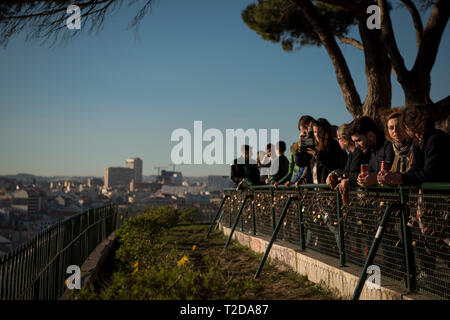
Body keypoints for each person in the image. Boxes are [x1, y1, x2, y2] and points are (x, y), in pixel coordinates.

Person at [378, 105, 450, 186]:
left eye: (402, 126)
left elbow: (430, 173)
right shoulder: (418, 142)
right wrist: (393, 176)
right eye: (391, 128)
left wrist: (400, 178)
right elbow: (414, 169)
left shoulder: (436, 139)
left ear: (411, 126)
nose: (396, 130)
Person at [326, 123, 371, 202]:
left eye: (339, 139)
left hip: (365, 196)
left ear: (344, 140)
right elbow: (346, 172)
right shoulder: (351, 153)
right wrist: (334, 173)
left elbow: (353, 174)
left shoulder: (358, 151)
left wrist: (346, 179)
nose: (338, 141)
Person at [295, 118, 347, 185]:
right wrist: (300, 148)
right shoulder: (312, 144)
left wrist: (318, 155)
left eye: (319, 132)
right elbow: (300, 162)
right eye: (315, 132)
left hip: (329, 188)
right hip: (317, 189)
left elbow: (334, 165)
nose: (317, 134)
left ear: (325, 132)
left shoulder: (333, 144)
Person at [348, 116, 395, 187]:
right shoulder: (365, 149)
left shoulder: (389, 145)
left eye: (358, 140)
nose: (356, 145)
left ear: (370, 135)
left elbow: (389, 172)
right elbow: (352, 173)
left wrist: (375, 179)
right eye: (354, 141)